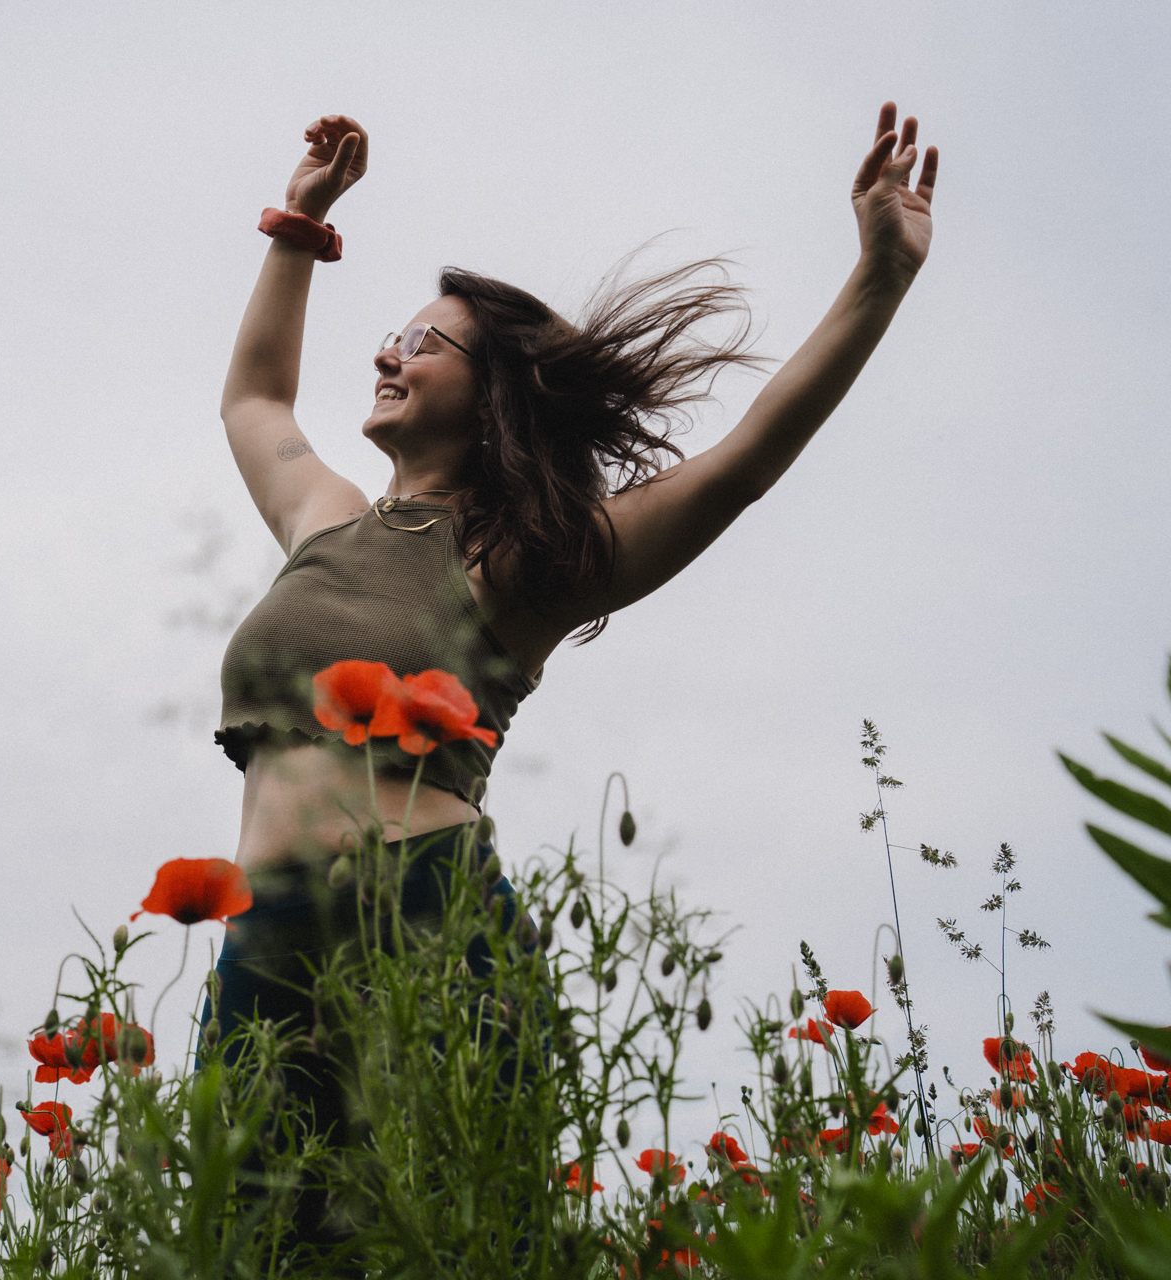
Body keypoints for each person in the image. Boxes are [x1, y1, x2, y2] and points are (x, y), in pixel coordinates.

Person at [203, 105, 937, 1245]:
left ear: (490, 393)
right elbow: (256, 400)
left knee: (442, 1246)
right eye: (392, 334)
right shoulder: (327, 520)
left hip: (424, 926)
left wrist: (879, 281)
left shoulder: (521, 567)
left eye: (423, 342)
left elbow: (739, 464)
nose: (389, 351)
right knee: (246, 1252)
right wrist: (301, 220)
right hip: (266, 938)